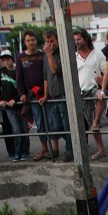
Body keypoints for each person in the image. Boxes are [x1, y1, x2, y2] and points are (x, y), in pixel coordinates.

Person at [16, 30, 51, 162]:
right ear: (25, 42)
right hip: (32, 95)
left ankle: (52, 148)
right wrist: (22, 94)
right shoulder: (20, 57)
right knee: (40, 122)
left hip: (45, 91)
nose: (31, 42)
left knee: (50, 121)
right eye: (28, 40)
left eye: (33, 39)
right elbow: (19, 78)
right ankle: (44, 148)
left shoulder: (42, 55)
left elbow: (47, 74)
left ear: (36, 41)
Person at [73, 28, 106, 160]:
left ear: (86, 39)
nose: (76, 42)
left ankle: (97, 122)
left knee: (100, 95)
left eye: (79, 39)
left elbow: (106, 72)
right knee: (86, 122)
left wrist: (102, 79)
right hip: (81, 92)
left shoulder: (98, 54)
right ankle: (98, 148)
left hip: (95, 87)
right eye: (75, 40)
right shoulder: (74, 57)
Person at [42, 29, 73, 162]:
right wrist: (45, 95)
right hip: (53, 96)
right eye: (47, 42)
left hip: (63, 94)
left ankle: (70, 151)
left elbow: (55, 70)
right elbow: (46, 77)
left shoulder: (62, 55)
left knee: (66, 126)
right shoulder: (45, 57)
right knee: (57, 127)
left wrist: (49, 55)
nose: (50, 44)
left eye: (52, 41)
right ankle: (74, 143)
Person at [0, 51, 30, 162]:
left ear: (12, 59)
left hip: (19, 104)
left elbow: (23, 87)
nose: (6, 62)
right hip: (9, 107)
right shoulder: (1, 72)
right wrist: (1, 100)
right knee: (16, 129)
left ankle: (25, 151)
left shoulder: (18, 71)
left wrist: (15, 100)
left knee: (23, 128)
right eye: (4, 60)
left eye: (8, 59)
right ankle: (17, 151)